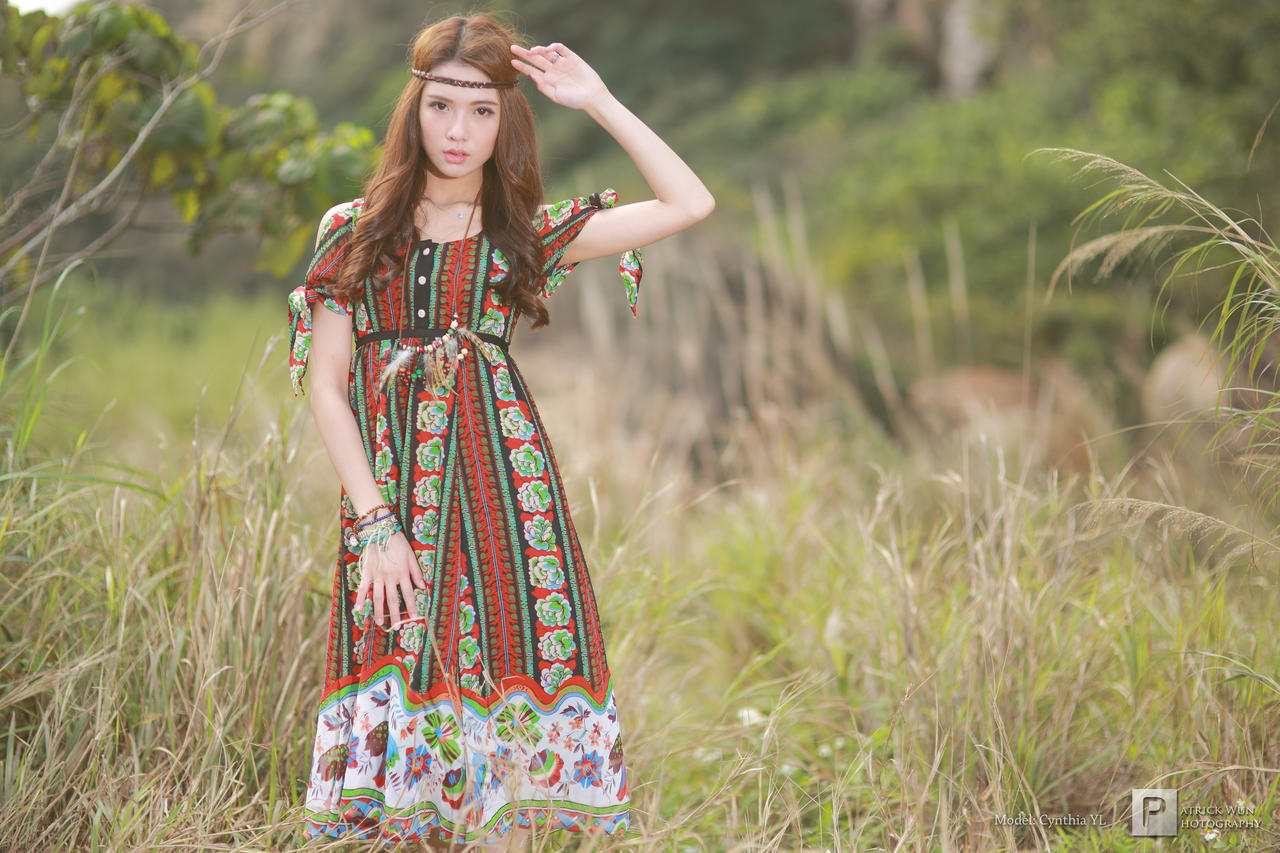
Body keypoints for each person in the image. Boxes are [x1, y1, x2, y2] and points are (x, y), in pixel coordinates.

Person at [284, 11, 713, 852]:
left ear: (505, 120)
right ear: (414, 109)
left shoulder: (524, 234)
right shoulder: (354, 230)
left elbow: (689, 201)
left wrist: (597, 100)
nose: (458, 130)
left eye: (482, 111)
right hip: (391, 505)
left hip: (506, 501)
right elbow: (327, 388)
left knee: (503, 712)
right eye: (441, 106)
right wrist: (375, 524)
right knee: (405, 687)